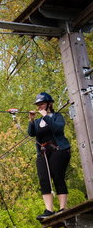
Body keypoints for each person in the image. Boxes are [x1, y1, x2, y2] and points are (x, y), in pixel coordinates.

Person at [27, 92, 71, 220]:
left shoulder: (57, 116)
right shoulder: (38, 120)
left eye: (42, 104)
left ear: (49, 104)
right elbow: (31, 133)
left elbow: (58, 129)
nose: (39, 106)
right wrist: (31, 120)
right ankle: (49, 209)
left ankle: (63, 208)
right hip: (43, 152)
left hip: (58, 150)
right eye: (38, 105)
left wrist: (46, 116)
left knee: (58, 177)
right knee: (43, 178)